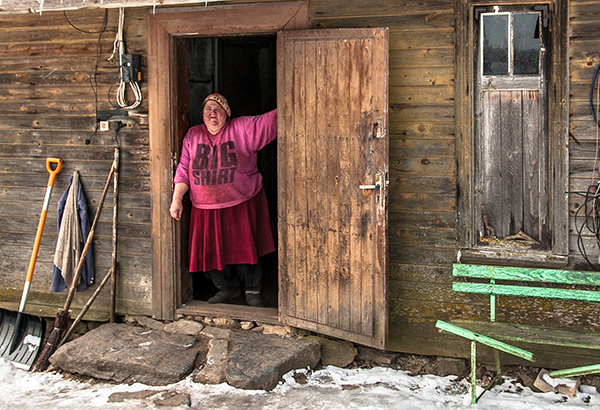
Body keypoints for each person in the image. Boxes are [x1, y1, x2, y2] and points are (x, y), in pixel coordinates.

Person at [170, 93, 276, 307]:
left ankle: (253, 291)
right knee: (210, 252)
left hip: (242, 201)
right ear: (202, 113)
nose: (213, 113)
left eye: (218, 109)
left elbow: (274, 120)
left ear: (227, 114)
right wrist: (177, 199)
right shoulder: (193, 135)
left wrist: (296, 93)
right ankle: (228, 289)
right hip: (205, 206)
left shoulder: (242, 128)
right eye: (208, 109)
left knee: (248, 249)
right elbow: (183, 169)